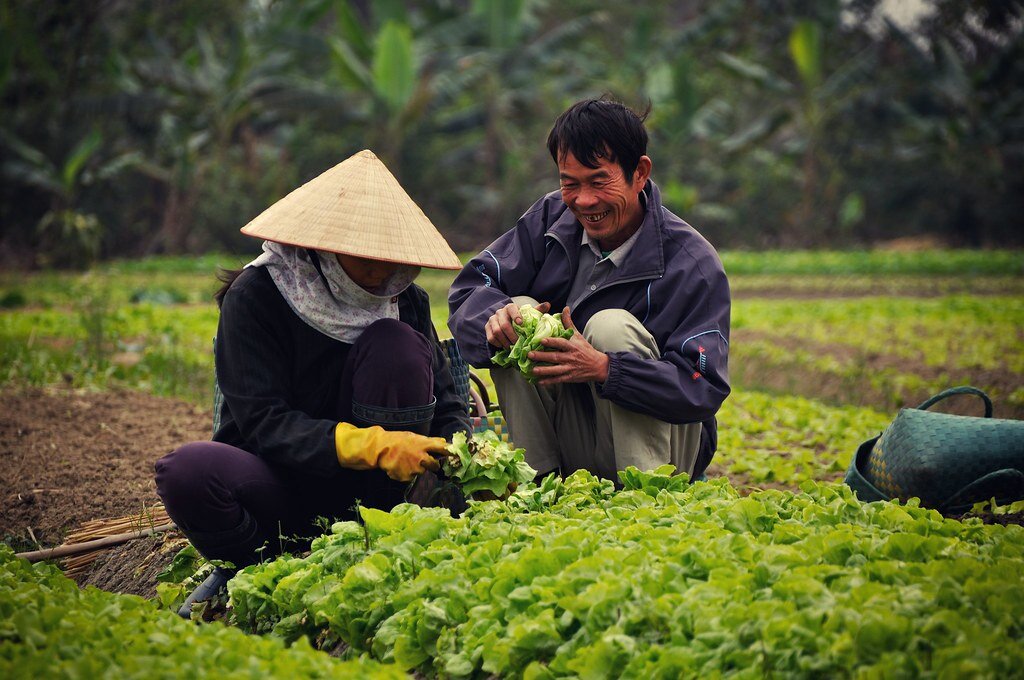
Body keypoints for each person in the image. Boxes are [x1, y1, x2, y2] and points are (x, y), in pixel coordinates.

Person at [156, 150, 469, 617]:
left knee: (396, 345)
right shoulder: (258, 297)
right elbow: (263, 421)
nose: (383, 271)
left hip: (378, 497)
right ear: (326, 246)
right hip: (278, 485)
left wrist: (463, 455)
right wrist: (373, 445)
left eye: (392, 258)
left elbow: (445, 400)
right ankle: (252, 566)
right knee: (186, 471)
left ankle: (376, 537)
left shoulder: (406, 301)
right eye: (368, 257)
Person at [448, 98, 730, 484]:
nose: (584, 200)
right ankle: (539, 486)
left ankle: (644, 497)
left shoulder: (691, 263)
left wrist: (606, 369)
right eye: (570, 183)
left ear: (640, 173)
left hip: (666, 451)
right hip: (573, 438)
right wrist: (493, 319)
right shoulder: (548, 220)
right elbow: (471, 287)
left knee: (611, 327)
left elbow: (703, 384)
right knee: (519, 313)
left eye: (599, 181)